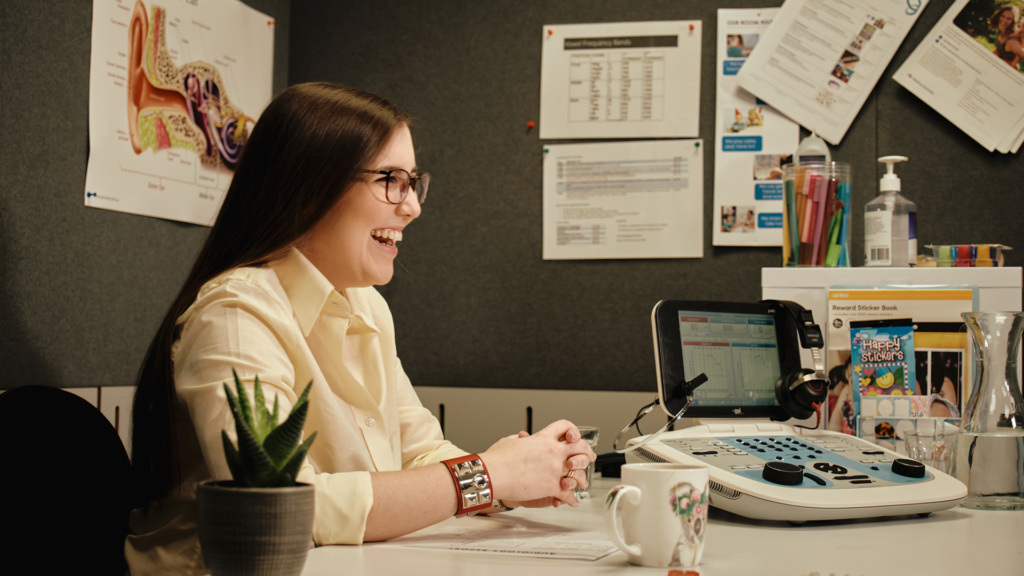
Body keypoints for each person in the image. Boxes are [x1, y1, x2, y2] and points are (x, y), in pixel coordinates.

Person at [126, 82, 596, 575]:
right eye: (390, 179)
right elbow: (278, 503)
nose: (411, 206)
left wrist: (517, 479)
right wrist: (487, 477)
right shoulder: (235, 315)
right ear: (308, 185)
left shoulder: (366, 305)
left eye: (413, 181)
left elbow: (420, 454)